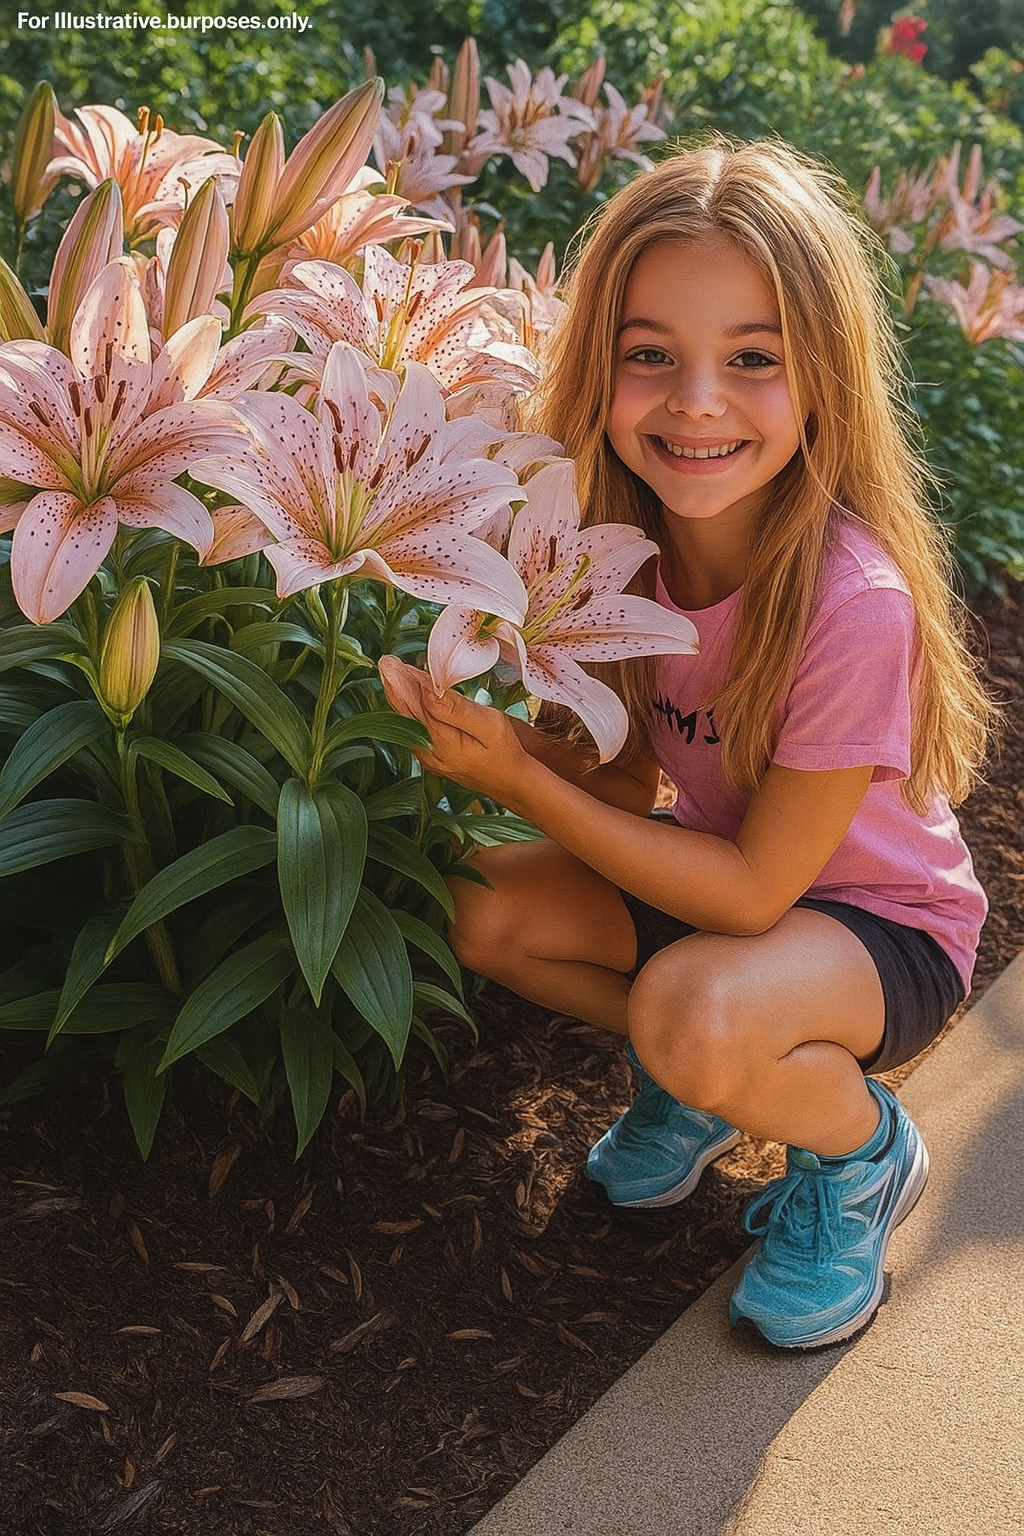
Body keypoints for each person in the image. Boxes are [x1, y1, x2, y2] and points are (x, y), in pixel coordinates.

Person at [378, 136, 992, 1350]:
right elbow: (627, 779)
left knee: (687, 1003)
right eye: (649, 355)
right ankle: (699, 1077)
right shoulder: (623, 544)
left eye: (752, 361)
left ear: (825, 380)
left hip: (880, 931)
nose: (695, 400)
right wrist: (497, 738)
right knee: (473, 904)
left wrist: (513, 783)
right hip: (731, 906)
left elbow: (761, 889)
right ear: (598, 367)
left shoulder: (847, 601)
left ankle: (859, 1152)